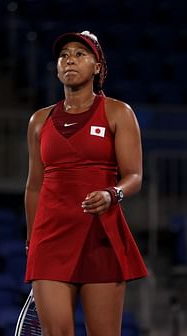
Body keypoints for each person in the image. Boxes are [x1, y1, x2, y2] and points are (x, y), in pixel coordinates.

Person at [24, 30, 148, 336]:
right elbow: (34, 186)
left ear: (97, 67)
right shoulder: (39, 121)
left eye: (80, 54)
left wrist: (112, 193)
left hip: (100, 237)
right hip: (50, 240)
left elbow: (134, 176)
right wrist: (31, 243)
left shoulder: (118, 112)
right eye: (64, 55)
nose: (70, 60)